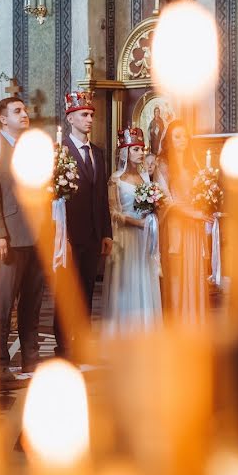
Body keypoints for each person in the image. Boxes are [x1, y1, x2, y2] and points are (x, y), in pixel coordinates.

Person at [0, 97, 44, 382]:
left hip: (36, 233)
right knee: (3, 302)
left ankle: (30, 358)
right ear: (1, 119)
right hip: (9, 234)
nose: (25, 114)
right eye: (17, 111)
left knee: (32, 301)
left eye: (25, 110)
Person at [56, 91, 112, 358]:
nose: (89, 119)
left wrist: (106, 233)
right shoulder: (60, 151)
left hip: (92, 233)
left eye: (91, 115)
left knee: (87, 289)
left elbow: (101, 196)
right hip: (67, 233)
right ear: (71, 118)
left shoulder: (97, 153)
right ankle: (63, 343)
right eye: (84, 115)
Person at [102, 126, 162, 335]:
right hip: (126, 236)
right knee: (127, 281)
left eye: (142, 149)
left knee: (144, 278)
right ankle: (123, 331)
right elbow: (112, 211)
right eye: (135, 149)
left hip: (144, 237)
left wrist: (152, 216)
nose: (141, 153)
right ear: (125, 151)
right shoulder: (115, 179)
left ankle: (145, 330)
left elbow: (153, 204)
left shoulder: (146, 178)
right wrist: (135, 222)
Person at [155, 120, 210, 323]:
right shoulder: (163, 164)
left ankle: (194, 319)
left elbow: (200, 192)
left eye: (185, 136)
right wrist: (191, 213)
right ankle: (178, 321)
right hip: (176, 224)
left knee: (194, 272)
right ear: (169, 138)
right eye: (177, 136)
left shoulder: (193, 163)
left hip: (194, 226)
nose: (182, 140)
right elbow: (165, 199)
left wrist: (207, 203)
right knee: (177, 274)